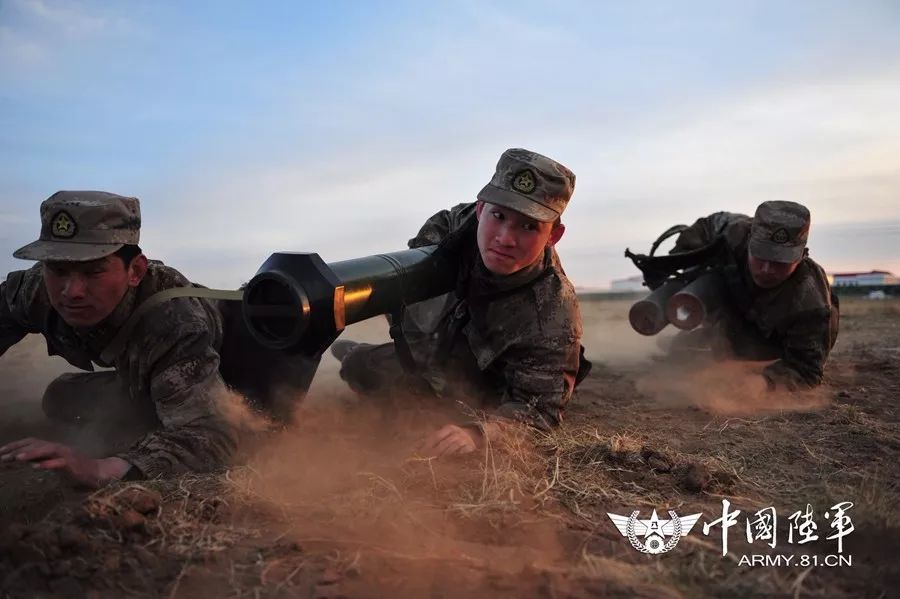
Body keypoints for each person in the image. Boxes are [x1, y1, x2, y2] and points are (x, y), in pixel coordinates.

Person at [0, 191, 314, 487]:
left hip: (222, 368)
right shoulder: (33, 289)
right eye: (58, 270)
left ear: (135, 271)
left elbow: (211, 435)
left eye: (93, 272)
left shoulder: (173, 320)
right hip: (149, 374)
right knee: (59, 396)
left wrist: (100, 468)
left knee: (240, 430)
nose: (72, 291)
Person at [332, 149, 591, 457]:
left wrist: (479, 434)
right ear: (480, 209)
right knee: (359, 367)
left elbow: (540, 412)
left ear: (554, 235)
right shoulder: (450, 228)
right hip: (440, 345)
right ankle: (363, 355)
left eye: (529, 226)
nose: (505, 238)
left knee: (455, 409)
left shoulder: (552, 312)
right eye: (498, 216)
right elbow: (409, 294)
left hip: (490, 376)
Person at [667, 200, 839, 390]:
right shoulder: (737, 232)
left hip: (774, 345)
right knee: (681, 352)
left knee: (737, 366)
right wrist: (683, 258)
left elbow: (807, 371)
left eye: (779, 262)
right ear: (749, 241)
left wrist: (760, 384)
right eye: (760, 257)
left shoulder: (810, 301)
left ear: (801, 256)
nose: (766, 270)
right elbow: (708, 226)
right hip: (740, 313)